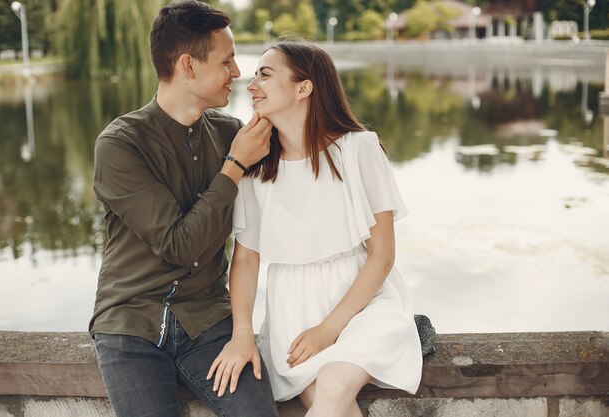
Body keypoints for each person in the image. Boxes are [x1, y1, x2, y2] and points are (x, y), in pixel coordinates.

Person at [208, 39, 423, 417]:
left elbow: (383, 256)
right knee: (332, 400)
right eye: (255, 74)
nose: (252, 84)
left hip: (362, 306)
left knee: (336, 384)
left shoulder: (359, 150)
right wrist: (244, 333)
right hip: (291, 314)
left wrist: (328, 330)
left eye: (266, 75)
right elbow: (245, 260)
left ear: (304, 88)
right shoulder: (255, 166)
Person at [89, 2, 279, 416]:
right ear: (188, 66)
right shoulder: (120, 144)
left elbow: (302, 166)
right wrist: (235, 165)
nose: (236, 72)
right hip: (131, 322)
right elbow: (178, 244)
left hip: (209, 320)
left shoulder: (232, 133)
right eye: (226, 61)